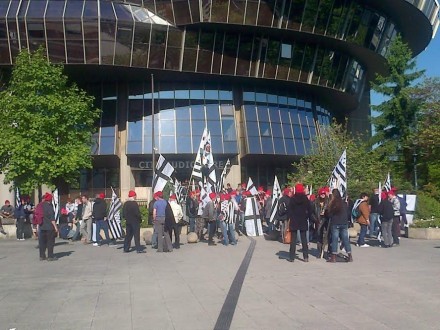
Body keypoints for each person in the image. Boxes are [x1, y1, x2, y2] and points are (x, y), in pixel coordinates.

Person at [287, 184, 317, 263]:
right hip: (303, 220)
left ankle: (291, 257)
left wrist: (291, 217)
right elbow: (310, 209)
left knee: (293, 240)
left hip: (294, 220)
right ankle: (305, 257)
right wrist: (306, 216)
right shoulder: (305, 199)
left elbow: (289, 210)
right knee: (304, 240)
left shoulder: (292, 199)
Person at [326, 189, 353, 263]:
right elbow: (347, 212)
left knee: (334, 240)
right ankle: (350, 255)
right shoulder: (344, 203)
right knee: (345, 239)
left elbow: (330, 214)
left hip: (335, 222)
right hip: (344, 222)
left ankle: (333, 257)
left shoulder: (333, 203)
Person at [39, 193, 59, 261]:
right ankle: (50, 256)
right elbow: (52, 219)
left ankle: (42, 256)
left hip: (41, 226)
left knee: (42, 242)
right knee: (50, 242)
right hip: (49, 227)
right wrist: (56, 228)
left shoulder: (40, 205)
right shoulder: (50, 206)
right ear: (50, 199)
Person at [314, 188, 329, 258]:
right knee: (319, 236)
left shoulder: (328, 201)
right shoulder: (315, 202)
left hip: (326, 220)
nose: (323, 195)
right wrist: (315, 219)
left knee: (327, 236)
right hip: (319, 220)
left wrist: (326, 212)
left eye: (324, 194)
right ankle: (319, 252)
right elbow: (312, 212)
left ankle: (327, 251)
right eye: (321, 194)